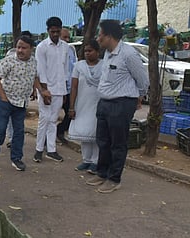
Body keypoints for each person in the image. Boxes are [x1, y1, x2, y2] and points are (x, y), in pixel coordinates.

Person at [86, 20, 149, 193]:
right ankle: (102, 173)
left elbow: (143, 80)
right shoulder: (108, 52)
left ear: (110, 36)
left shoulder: (128, 55)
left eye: (100, 35)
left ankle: (114, 179)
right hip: (105, 103)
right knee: (103, 140)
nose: (98, 39)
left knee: (117, 143)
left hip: (121, 104)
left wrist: (139, 97)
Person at [0, 34, 38, 171]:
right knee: (1, 130)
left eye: (24, 48)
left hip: (21, 103)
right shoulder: (8, 61)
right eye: (18, 47)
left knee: (19, 132)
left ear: (31, 49)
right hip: (5, 101)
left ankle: (16, 158)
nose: (20, 50)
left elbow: (35, 77)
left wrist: (39, 90)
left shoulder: (33, 62)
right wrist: (3, 97)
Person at [33, 16, 69, 163]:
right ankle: (38, 150)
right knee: (44, 119)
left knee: (53, 120)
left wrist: (65, 91)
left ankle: (52, 150)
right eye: (52, 31)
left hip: (60, 89)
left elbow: (65, 70)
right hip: (46, 90)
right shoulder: (42, 47)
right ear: (48, 31)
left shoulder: (66, 47)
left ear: (60, 30)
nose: (55, 34)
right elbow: (40, 71)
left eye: (57, 31)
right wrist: (44, 91)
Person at [68, 39, 103, 174]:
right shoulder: (79, 66)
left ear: (98, 52)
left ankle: (95, 161)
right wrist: (71, 106)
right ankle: (86, 160)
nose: (87, 53)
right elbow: (74, 87)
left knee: (95, 132)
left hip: (98, 103)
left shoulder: (104, 66)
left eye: (90, 51)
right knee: (84, 132)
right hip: (82, 103)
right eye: (86, 51)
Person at [56, 28, 77, 145]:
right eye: (65, 37)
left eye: (68, 37)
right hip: (57, 88)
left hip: (69, 88)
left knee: (71, 112)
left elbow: (73, 67)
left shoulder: (71, 49)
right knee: (51, 116)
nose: (67, 40)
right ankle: (44, 140)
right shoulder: (55, 50)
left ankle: (60, 130)